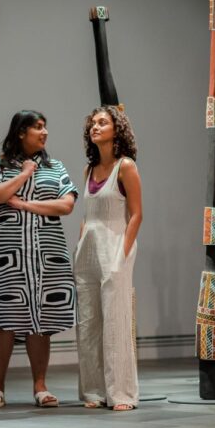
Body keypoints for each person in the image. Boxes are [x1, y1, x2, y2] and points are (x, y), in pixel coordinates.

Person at [0, 110, 78, 408]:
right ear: (21, 132)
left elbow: (66, 204)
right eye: (37, 127)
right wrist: (23, 174)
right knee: (3, 319)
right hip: (4, 256)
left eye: (45, 127)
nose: (44, 132)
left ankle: (40, 386)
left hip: (47, 256)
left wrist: (24, 204)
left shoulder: (55, 166)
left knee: (40, 320)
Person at [74, 105, 142, 411]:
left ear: (117, 129)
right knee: (88, 322)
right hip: (88, 248)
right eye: (93, 123)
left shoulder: (125, 166)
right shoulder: (89, 170)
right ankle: (94, 391)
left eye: (103, 122)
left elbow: (137, 215)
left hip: (116, 245)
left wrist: (123, 254)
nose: (95, 127)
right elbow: (87, 215)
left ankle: (122, 393)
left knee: (116, 321)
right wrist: (79, 247)